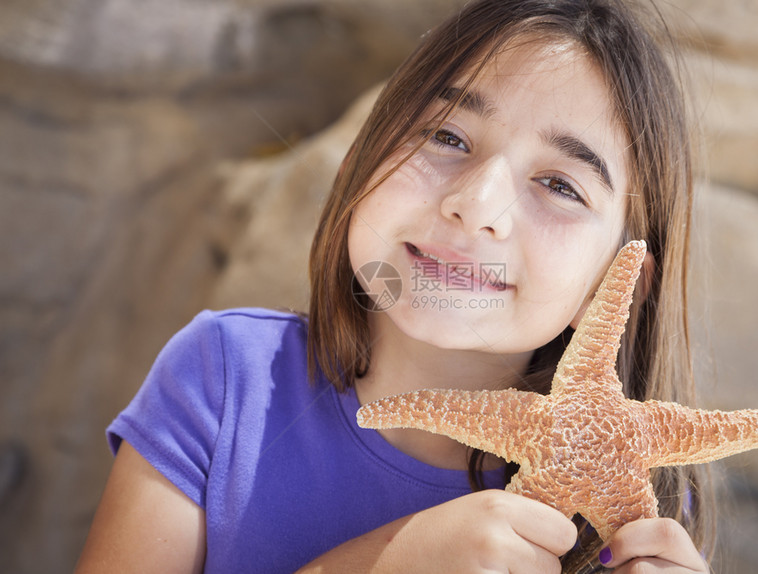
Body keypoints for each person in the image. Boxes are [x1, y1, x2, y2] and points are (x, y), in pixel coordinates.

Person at [75, 0, 715, 572]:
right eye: (447, 136)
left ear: (616, 286)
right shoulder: (225, 379)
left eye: (560, 184)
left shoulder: (630, 508)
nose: (477, 203)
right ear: (363, 155)